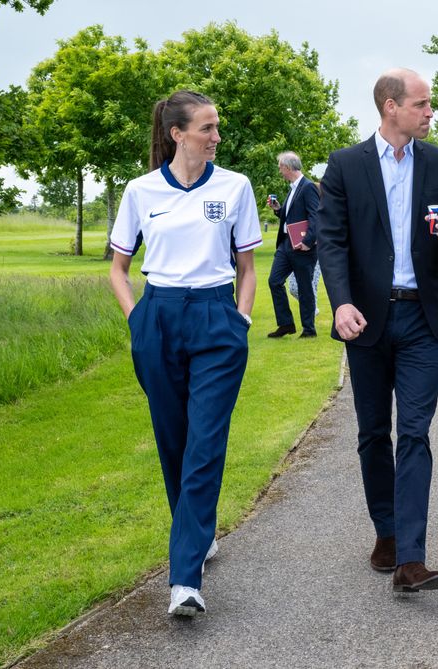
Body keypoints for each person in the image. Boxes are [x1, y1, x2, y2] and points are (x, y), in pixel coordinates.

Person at [109, 90, 262, 616]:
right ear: (178, 134)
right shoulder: (140, 190)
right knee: (173, 441)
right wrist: (138, 319)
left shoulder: (235, 186)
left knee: (205, 443)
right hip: (159, 317)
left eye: (216, 128)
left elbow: (246, 267)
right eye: (207, 128)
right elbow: (119, 268)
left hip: (217, 320)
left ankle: (185, 580)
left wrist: (240, 320)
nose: (217, 137)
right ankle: (198, 533)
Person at [316, 68, 438, 593]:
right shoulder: (344, 166)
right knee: (373, 432)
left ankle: (411, 557)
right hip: (367, 320)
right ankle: (385, 530)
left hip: (423, 318)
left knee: (415, 432)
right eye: (423, 104)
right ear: (390, 107)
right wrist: (340, 304)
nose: (431, 113)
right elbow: (330, 242)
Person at [266, 151, 321, 338]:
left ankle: (309, 329)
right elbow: (291, 217)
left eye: (281, 167)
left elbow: (316, 216)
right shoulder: (293, 188)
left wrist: (308, 242)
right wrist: (278, 210)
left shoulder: (308, 187)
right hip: (285, 245)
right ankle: (286, 324)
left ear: (288, 167)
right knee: (274, 281)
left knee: (305, 288)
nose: (280, 171)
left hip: (302, 247)